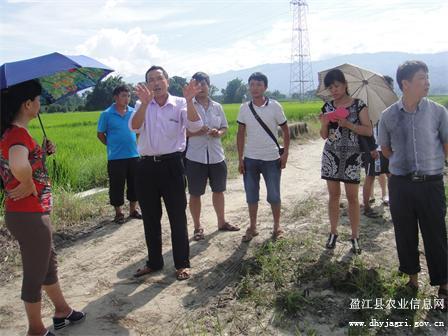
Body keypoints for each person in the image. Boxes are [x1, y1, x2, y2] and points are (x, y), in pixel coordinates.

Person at [0, 80, 85, 336]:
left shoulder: (15, 133)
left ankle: (62, 310)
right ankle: (36, 330)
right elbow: (17, 163)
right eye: (38, 100)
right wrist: (27, 182)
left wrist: (42, 154)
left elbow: (26, 162)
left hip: (27, 213)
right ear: (27, 104)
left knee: (48, 264)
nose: (40, 104)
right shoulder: (17, 135)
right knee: (35, 272)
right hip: (29, 214)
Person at [378, 60, 447, 310]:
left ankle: (444, 286)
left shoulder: (438, 112)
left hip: (431, 184)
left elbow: (446, 146)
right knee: (405, 233)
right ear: (405, 84)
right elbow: (385, 149)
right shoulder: (387, 116)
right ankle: (412, 280)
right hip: (401, 185)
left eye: (427, 76)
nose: (427, 81)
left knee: (436, 235)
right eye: (421, 77)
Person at [129, 66, 203, 281]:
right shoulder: (140, 105)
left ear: (167, 81)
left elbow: (196, 125)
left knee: (177, 216)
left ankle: (182, 263)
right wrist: (143, 104)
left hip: (172, 165)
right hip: (145, 167)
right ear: (146, 84)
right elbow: (134, 127)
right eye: (151, 80)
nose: (156, 83)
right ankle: (154, 262)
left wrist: (190, 101)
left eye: (159, 78)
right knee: (150, 218)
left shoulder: (180, 103)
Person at [319, 69, 373, 254]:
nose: (334, 90)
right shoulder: (327, 107)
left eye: (337, 86)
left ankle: (355, 236)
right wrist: (325, 123)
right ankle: (333, 232)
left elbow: (368, 131)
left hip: (352, 156)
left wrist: (348, 124)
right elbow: (324, 136)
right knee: (333, 196)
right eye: (330, 87)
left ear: (345, 85)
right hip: (331, 156)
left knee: (352, 197)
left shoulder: (359, 105)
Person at [185, 72, 239, 241]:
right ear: (193, 87)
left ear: (209, 86)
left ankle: (221, 222)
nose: (201, 88)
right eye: (197, 85)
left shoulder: (217, 106)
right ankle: (197, 227)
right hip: (195, 157)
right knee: (195, 193)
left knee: (219, 190)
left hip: (216, 155)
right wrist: (195, 133)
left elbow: (224, 127)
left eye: (204, 84)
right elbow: (180, 133)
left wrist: (219, 132)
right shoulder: (186, 106)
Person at [236, 72, 290, 242]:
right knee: (251, 195)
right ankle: (252, 226)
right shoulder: (244, 108)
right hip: (250, 159)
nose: (255, 88)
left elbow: (286, 130)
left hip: (271, 158)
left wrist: (286, 153)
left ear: (265, 87)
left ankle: (276, 226)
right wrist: (240, 158)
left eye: (258, 84)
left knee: (274, 195)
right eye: (252, 84)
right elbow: (240, 133)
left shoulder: (275, 106)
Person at [97, 85, 141, 224]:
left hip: (134, 155)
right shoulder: (106, 114)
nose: (126, 99)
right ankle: (119, 213)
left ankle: (133, 210)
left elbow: (138, 130)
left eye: (128, 96)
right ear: (115, 97)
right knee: (117, 185)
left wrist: (135, 143)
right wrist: (111, 145)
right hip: (116, 157)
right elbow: (100, 134)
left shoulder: (133, 112)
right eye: (123, 96)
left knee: (135, 184)